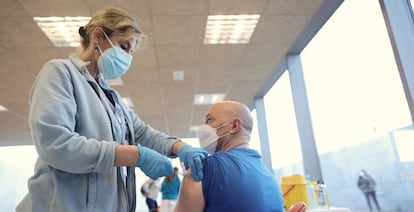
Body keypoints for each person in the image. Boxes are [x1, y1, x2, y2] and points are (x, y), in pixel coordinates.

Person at [15, 7, 207, 212]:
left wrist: (179, 147)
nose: (127, 57)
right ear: (98, 35)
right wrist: (136, 156)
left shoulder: (110, 97)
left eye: (130, 52)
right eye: (124, 46)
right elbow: (55, 144)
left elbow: (141, 133)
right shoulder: (60, 73)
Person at [174, 101, 284, 212]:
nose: (202, 128)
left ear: (234, 125)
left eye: (209, 120)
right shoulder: (270, 178)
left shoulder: (202, 168)